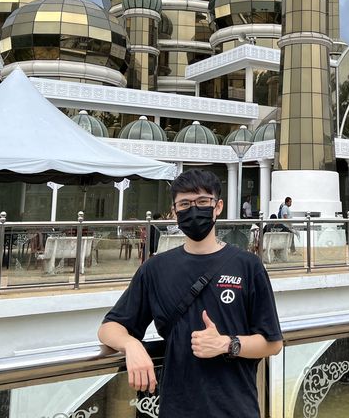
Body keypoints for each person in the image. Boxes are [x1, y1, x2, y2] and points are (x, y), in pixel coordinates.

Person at [98, 169, 283, 418]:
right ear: (174, 213)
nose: (193, 209)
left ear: (218, 207)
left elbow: (272, 343)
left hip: (236, 409)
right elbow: (110, 327)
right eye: (184, 204)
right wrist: (131, 345)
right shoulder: (155, 269)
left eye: (202, 202)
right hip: (177, 409)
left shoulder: (248, 265)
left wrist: (227, 344)